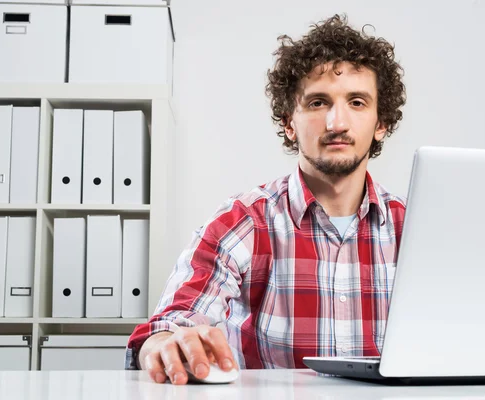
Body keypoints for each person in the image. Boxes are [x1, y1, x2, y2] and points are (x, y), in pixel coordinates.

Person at [125, 13, 407, 385]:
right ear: (290, 123)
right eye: (318, 102)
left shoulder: (415, 228)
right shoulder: (244, 220)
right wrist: (167, 341)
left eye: (357, 102)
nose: (337, 123)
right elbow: (175, 319)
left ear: (380, 123)